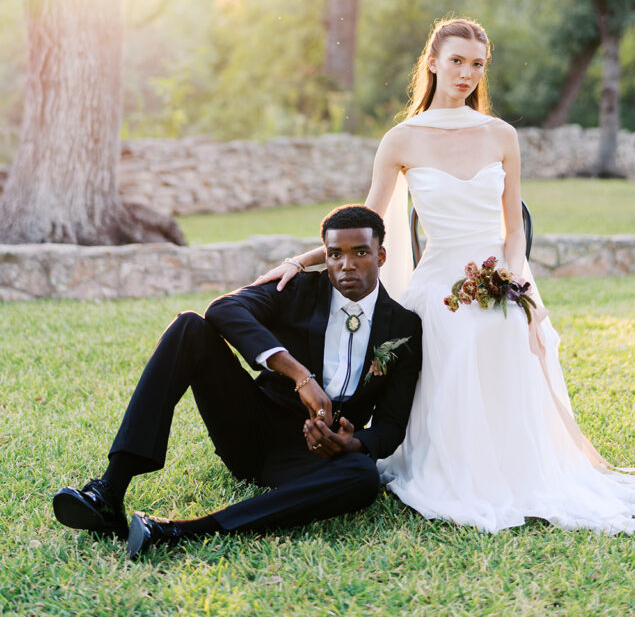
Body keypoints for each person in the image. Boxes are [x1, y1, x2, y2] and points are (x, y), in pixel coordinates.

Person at [258, 17, 635, 534]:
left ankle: (512, 468)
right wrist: (300, 260)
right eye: (457, 61)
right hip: (438, 278)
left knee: (502, 324)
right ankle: (457, 466)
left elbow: (514, 228)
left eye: (477, 64)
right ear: (433, 62)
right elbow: (366, 227)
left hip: (497, 273)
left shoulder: (501, 135)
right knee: (451, 329)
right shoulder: (401, 139)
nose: (467, 73)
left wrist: (511, 275)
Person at [53, 204, 422, 559]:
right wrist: (299, 375)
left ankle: (183, 531)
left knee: (363, 478)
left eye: (360, 252)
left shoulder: (404, 327)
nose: (346, 265)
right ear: (324, 257)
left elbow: (390, 426)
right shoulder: (296, 290)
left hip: (311, 460)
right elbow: (223, 309)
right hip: (251, 431)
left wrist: (351, 443)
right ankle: (108, 491)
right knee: (189, 327)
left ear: (381, 256)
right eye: (334, 254)